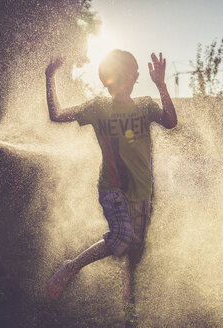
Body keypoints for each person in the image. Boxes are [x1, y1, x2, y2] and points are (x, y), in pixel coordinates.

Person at [44, 49, 177, 303]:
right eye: (111, 76)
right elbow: (56, 115)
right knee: (122, 237)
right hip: (112, 187)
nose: (117, 81)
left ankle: (129, 285)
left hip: (142, 189)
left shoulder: (146, 106)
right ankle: (69, 267)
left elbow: (171, 122)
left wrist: (161, 85)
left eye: (125, 75)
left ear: (134, 77)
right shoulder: (98, 107)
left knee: (136, 247)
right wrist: (50, 76)